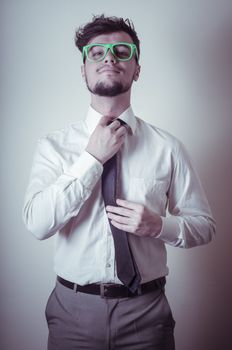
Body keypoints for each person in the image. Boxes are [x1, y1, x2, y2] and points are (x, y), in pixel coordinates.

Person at [22, 14, 216, 350]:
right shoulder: (53, 146)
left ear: (137, 69)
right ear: (83, 69)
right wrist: (91, 160)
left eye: (121, 51)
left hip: (146, 313)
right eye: (96, 53)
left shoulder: (167, 148)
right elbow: (38, 224)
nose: (109, 57)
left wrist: (159, 226)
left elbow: (204, 226)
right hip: (72, 312)